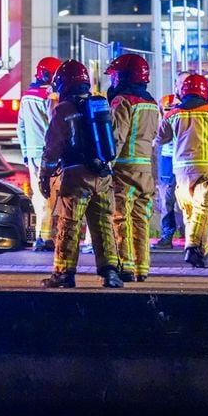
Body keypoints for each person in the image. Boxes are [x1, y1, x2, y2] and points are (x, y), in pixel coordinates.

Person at [38, 60, 122, 289]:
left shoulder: (63, 110)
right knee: (103, 224)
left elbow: (52, 146)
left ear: (64, 83)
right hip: (102, 174)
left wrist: (44, 174)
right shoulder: (100, 105)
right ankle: (110, 272)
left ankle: (64, 274)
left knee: (70, 224)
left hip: (76, 177)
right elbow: (114, 140)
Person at [152, 73, 208, 268]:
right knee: (204, 209)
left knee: (190, 212)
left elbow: (159, 138)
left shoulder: (172, 113)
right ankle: (193, 247)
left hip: (180, 171)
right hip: (205, 168)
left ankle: (200, 252)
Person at [104, 53, 161, 283]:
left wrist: (106, 163)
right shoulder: (152, 103)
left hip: (124, 169)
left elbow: (117, 136)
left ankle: (125, 266)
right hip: (145, 170)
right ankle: (141, 268)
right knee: (141, 220)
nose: (113, 80)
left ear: (125, 76)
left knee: (120, 218)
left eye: (116, 75)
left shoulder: (122, 101)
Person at [19, 56, 61, 250]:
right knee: (49, 197)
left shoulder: (27, 95)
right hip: (49, 153)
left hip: (32, 153)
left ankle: (35, 235)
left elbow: (20, 127)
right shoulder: (51, 97)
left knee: (38, 196)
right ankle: (44, 239)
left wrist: (25, 154)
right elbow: (55, 125)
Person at [153, 78, 186, 249]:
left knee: (188, 197)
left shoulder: (196, 104)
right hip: (167, 155)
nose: (183, 85)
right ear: (175, 85)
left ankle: (191, 236)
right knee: (166, 197)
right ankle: (167, 235)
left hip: (186, 156)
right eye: (180, 82)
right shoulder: (165, 102)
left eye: (186, 82)